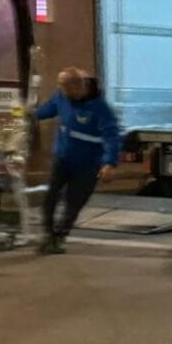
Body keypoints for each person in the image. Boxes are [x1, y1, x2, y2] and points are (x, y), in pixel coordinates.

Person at [33, 68, 121, 254]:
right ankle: (48, 234)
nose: (62, 91)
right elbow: (46, 111)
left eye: (66, 88)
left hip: (88, 164)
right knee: (50, 197)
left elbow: (112, 136)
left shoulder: (100, 108)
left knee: (73, 203)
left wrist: (109, 163)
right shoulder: (62, 97)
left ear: (79, 86)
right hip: (63, 159)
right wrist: (26, 113)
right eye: (61, 87)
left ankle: (60, 236)